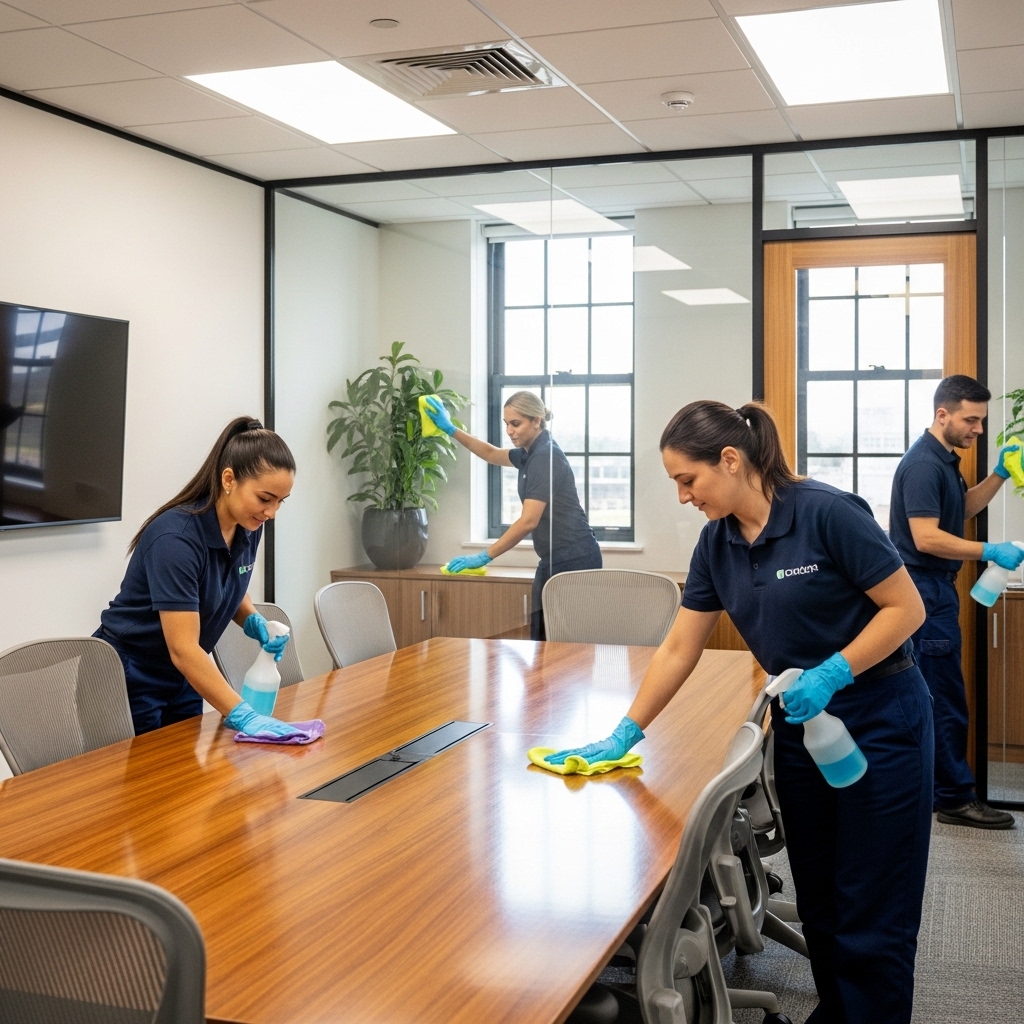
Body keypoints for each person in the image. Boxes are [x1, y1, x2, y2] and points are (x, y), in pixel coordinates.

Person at [547, 400, 933, 1024]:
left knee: (872, 905)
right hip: (807, 730)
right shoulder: (717, 543)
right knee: (823, 900)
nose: (682, 497)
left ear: (731, 460)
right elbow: (679, 646)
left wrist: (835, 670)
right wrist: (626, 731)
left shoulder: (828, 514)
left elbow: (905, 609)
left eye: (687, 480)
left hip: (881, 719)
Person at [96, 417, 304, 739]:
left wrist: (254, 621)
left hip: (183, 676)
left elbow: (226, 582)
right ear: (229, 479)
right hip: (130, 675)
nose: (271, 513)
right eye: (265, 498)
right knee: (144, 782)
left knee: (186, 778)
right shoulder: (175, 540)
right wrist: (242, 714)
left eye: (280, 502)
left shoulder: (248, 525)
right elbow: (183, 649)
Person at [889, 374, 1022, 829]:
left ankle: (934, 790)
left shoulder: (944, 461)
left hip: (935, 590)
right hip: (925, 589)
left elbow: (959, 511)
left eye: (982, 421)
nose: (979, 430)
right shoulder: (924, 464)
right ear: (942, 414)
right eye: (972, 419)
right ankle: (955, 798)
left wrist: (998, 476)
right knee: (944, 696)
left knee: (937, 693)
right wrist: (989, 551)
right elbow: (926, 538)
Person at [424, 391, 601, 640]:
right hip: (553, 559)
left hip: (575, 560)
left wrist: (485, 556)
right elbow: (491, 453)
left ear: (536, 421)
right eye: (506, 424)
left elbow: (529, 521)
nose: (509, 431)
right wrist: (451, 429)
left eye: (515, 424)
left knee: (564, 645)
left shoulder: (544, 457)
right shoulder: (531, 452)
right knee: (541, 639)